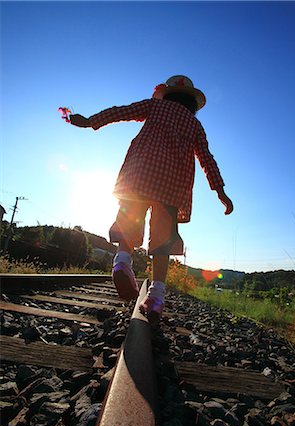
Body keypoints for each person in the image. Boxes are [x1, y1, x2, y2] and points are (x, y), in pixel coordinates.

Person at [70, 75, 233, 324]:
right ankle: (156, 296)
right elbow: (207, 160)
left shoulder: (155, 106)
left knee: (130, 217)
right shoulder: (195, 125)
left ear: (166, 94)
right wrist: (220, 191)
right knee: (162, 240)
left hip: (140, 174)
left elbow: (122, 112)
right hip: (172, 186)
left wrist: (92, 121)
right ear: (192, 103)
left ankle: (123, 260)